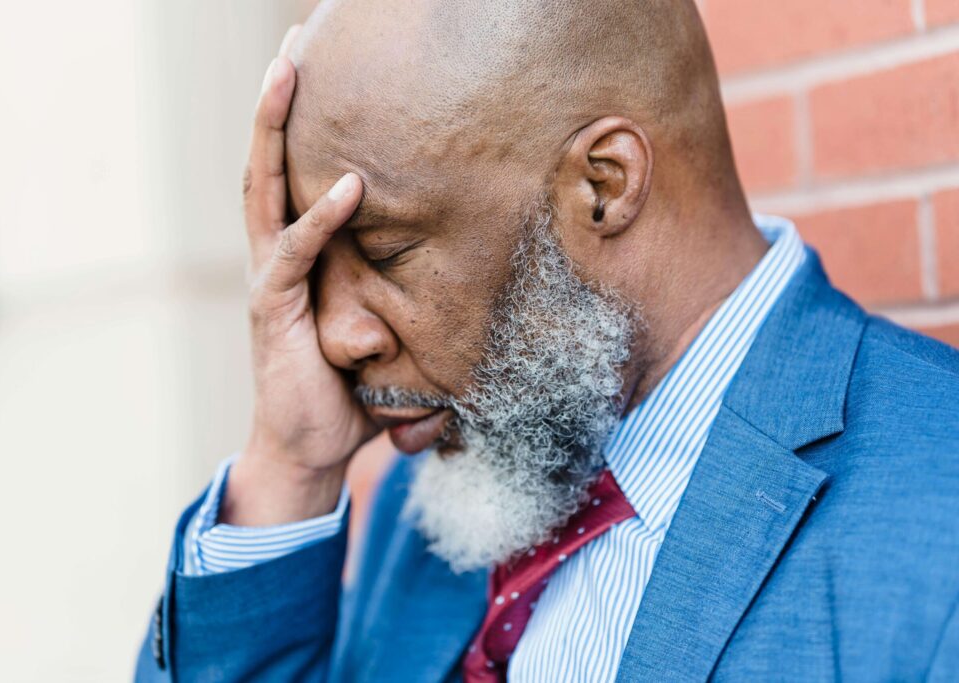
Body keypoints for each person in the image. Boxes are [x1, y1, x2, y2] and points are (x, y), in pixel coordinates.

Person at [135, 1, 959, 681]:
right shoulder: (430, 504)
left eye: (385, 251)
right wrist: (289, 465)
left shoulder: (933, 523)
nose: (338, 332)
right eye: (319, 265)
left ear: (603, 186)